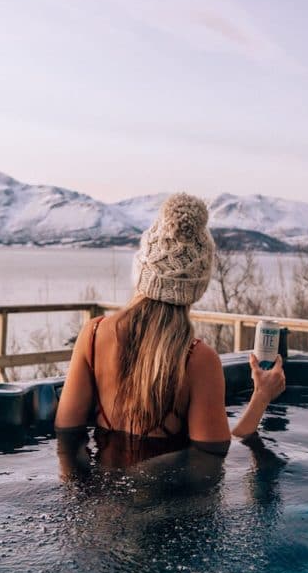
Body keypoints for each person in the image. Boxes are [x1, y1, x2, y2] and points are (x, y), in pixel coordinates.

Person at [55, 192, 285, 459]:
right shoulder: (199, 360)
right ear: (196, 287)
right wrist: (262, 396)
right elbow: (216, 454)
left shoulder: (93, 335)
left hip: (100, 498)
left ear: (142, 268)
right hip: (167, 499)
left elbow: (66, 437)